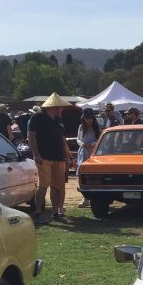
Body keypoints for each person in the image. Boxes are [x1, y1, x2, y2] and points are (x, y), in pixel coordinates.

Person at [27, 93, 72, 224]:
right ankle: (38, 213)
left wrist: (67, 156)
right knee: (43, 185)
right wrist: (36, 154)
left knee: (57, 186)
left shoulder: (58, 119)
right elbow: (31, 137)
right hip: (44, 157)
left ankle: (55, 213)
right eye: (61, 106)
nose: (62, 109)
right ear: (55, 106)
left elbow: (62, 139)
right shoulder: (37, 117)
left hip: (59, 157)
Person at [76, 107, 101, 208]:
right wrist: (83, 144)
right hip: (83, 152)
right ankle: (85, 198)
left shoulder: (96, 127)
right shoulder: (81, 127)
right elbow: (78, 139)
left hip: (93, 152)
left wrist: (92, 144)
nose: (89, 120)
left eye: (90, 118)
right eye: (87, 118)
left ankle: (94, 198)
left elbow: (99, 139)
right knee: (81, 174)